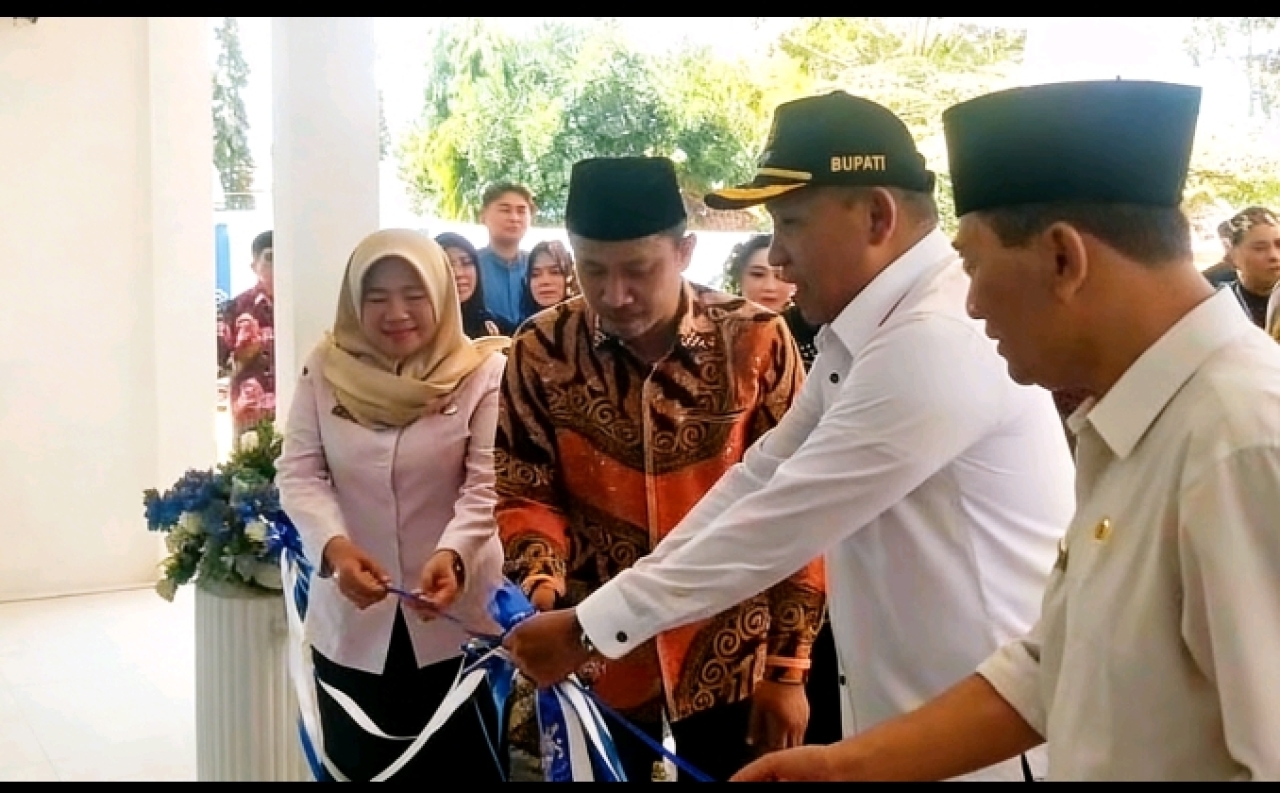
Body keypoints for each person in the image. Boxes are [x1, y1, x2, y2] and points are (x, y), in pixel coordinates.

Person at [502, 91, 1077, 782]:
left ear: (876, 216)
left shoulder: (930, 339)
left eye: (791, 222)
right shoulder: (864, 334)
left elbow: (781, 522)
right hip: (919, 720)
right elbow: (758, 477)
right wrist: (593, 617)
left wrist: (587, 627)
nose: (776, 255)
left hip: (990, 745)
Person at [735, 79, 1280, 782]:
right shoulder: (1132, 421)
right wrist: (844, 767)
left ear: (1062, 259)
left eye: (973, 262)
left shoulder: (1241, 441)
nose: (970, 298)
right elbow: (1051, 665)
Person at [483, 156, 824, 783]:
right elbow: (525, 489)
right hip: (589, 650)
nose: (615, 295)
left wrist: (789, 668)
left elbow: (798, 510)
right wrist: (540, 587)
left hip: (733, 652)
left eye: (639, 270)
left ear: (685, 251)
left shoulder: (756, 341)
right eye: (593, 271)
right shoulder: (540, 348)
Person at [276, 229, 510, 782]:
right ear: (355, 302)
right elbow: (300, 471)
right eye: (376, 297)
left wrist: (454, 554)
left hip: (456, 618)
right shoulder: (324, 370)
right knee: (358, 765)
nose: (396, 312)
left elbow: (487, 484)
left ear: (442, 294)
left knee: (461, 770)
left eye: (414, 293)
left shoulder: (483, 373)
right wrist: (333, 546)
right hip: (353, 619)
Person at [720, 233, 834, 745]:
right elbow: (757, 474)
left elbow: (800, 495)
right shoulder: (739, 343)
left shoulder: (867, 344)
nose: (778, 274)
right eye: (758, 272)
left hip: (803, 578)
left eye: (794, 226)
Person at [722, 233, 820, 370]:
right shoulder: (718, 328)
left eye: (779, 276)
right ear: (739, 277)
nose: (769, 287)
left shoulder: (817, 331)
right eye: (757, 274)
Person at [218, 230, 276, 436]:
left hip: (297, 418)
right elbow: (217, 366)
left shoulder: (303, 308)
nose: (277, 266)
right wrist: (244, 357)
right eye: (270, 258)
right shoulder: (236, 308)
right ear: (254, 266)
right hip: (250, 417)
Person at [476, 182, 536, 331]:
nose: (514, 218)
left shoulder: (540, 267)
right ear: (483, 215)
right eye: (505, 210)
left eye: (521, 211)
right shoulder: (470, 266)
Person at [435, 231, 512, 338]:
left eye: (466, 263)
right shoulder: (422, 331)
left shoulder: (497, 327)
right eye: (447, 265)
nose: (458, 273)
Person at [1217, 206, 1280, 328]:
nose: (1274, 256)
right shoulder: (1218, 307)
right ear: (1231, 256)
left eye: (1279, 245)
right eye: (1259, 248)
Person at [520, 239, 578, 318]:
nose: (545, 281)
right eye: (535, 274)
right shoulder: (523, 328)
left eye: (555, 272)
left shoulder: (591, 324)